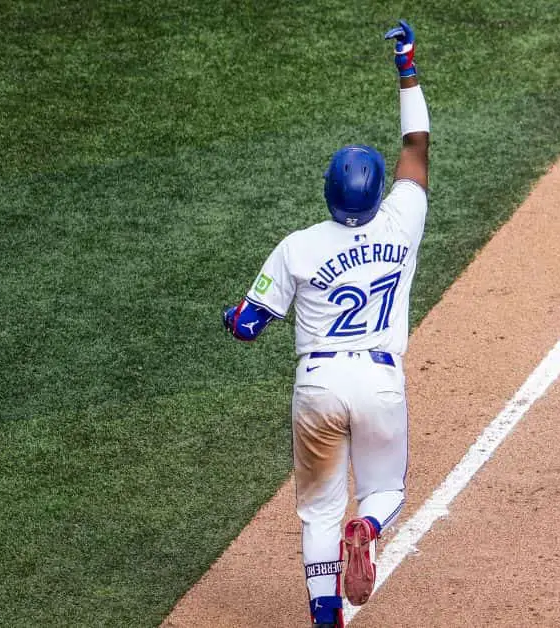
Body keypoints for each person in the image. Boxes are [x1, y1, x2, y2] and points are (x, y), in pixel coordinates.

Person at [222, 19, 429, 628]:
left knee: (317, 510)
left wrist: (234, 317)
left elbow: (248, 326)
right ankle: (365, 529)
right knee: (384, 492)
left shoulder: (298, 247)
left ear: (330, 194)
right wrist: (406, 67)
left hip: (315, 384)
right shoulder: (403, 220)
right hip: (379, 380)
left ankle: (325, 618)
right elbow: (416, 146)